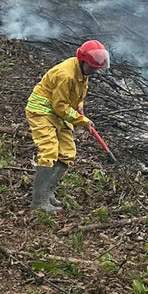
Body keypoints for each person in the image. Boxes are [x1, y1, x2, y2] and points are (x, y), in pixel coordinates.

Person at [26, 40, 111, 212]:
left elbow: (76, 97)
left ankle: (48, 193)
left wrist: (79, 107)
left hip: (58, 113)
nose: (94, 71)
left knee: (67, 153)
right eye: (92, 67)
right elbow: (60, 106)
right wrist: (82, 121)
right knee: (49, 150)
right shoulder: (66, 75)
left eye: (96, 68)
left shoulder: (83, 73)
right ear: (82, 60)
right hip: (42, 111)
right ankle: (38, 201)